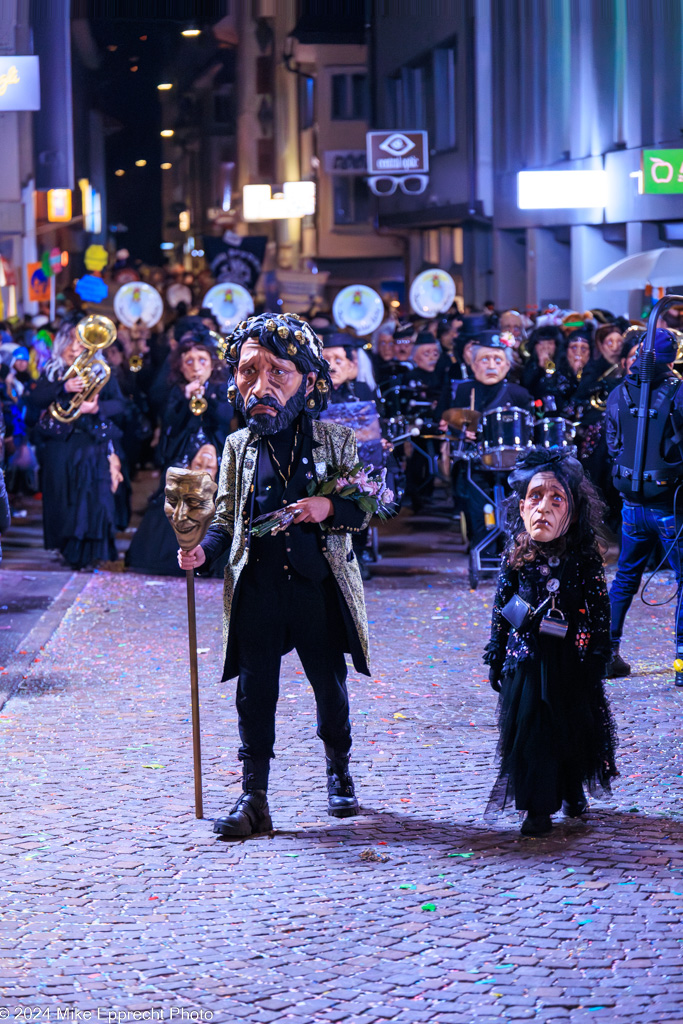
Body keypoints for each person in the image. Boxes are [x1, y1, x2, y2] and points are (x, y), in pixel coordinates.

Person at [178, 311, 372, 838]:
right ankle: (254, 798)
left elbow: (365, 511)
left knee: (329, 688)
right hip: (259, 589)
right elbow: (224, 517)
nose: (259, 387)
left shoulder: (335, 440)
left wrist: (328, 508)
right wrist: (202, 552)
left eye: (277, 373)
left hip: (316, 589)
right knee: (254, 694)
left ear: (308, 380)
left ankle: (339, 772)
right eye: (247, 373)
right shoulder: (239, 446)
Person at [484, 446, 618, 836]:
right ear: (522, 507)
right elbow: (501, 604)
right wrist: (496, 650)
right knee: (530, 733)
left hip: (569, 661)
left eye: (555, 498)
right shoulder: (516, 553)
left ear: (572, 511)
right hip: (525, 660)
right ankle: (537, 807)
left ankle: (572, 788)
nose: (543, 507)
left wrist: (598, 651)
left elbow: (599, 607)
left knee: (571, 727)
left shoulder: (583, 557)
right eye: (534, 497)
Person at [605, 328, 683, 684]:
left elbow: (612, 445)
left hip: (632, 505)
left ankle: (605, 653)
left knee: (624, 578)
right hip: (669, 505)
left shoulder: (618, 392)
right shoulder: (679, 394)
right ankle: (682, 662)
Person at [25, 314, 126, 570]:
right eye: (69, 342)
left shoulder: (102, 371)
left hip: (92, 443)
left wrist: (96, 408)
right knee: (62, 496)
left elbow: (121, 405)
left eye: (80, 343)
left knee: (93, 497)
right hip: (60, 445)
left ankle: (88, 553)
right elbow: (35, 400)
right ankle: (66, 548)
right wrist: (64, 386)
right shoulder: (53, 371)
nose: (74, 349)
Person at [157, 322, 233, 469]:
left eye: (202, 361)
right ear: (180, 366)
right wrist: (184, 398)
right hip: (183, 447)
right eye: (189, 362)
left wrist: (210, 400)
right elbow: (169, 422)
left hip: (215, 445)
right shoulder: (176, 389)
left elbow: (226, 418)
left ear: (212, 365)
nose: (196, 368)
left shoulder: (221, 387)